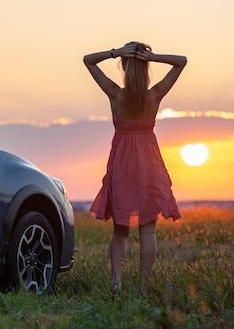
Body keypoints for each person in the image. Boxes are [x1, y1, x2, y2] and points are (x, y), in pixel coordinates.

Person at [83, 42, 187, 295]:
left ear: (125, 68)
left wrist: (114, 53)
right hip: (149, 165)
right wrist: (154, 57)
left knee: (120, 230)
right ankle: (143, 286)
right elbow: (181, 61)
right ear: (146, 67)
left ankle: (116, 282)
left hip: (122, 166)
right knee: (148, 229)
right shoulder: (154, 96)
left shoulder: (115, 95)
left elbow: (88, 60)